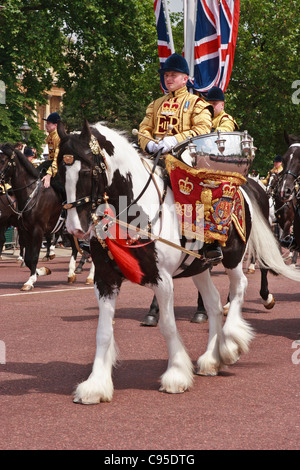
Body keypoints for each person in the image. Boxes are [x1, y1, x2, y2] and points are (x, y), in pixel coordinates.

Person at [41, 112, 61, 189]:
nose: (46, 125)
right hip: (52, 164)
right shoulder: (49, 137)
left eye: (48, 123)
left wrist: (49, 175)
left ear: (55, 125)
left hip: (60, 166)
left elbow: (57, 158)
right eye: (46, 123)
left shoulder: (58, 137)